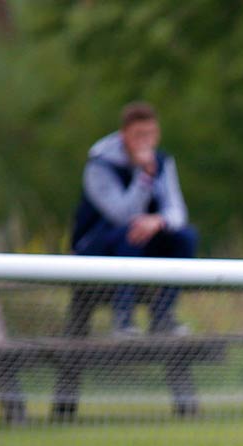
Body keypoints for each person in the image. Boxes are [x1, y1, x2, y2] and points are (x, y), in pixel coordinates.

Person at [71, 101, 198, 335]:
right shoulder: (100, 164)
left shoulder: (163, 161)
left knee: (186, 237)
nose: (145, 141)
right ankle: (124, 321)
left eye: (151, 134)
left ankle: (163, 316)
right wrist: (144, 176)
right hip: (96, 248)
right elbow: (123, 215)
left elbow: (177, 211)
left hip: (139, 243)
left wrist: (159, 221)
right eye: (139, 134)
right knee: (133, 232)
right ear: (124, 135)